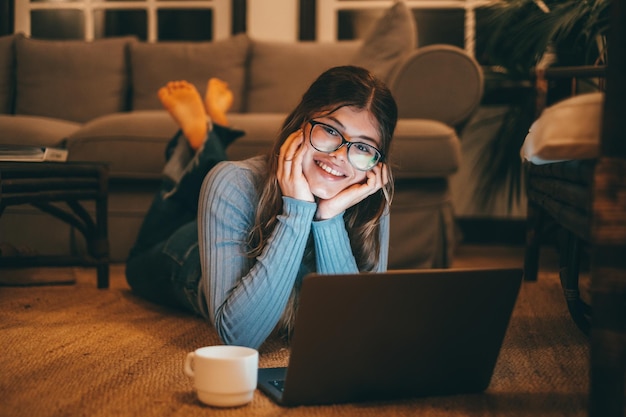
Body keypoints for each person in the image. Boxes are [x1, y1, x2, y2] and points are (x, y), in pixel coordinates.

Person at [126, 66, 398, 349]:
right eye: (330, 130)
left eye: (363, 148)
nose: (341, 156)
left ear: (377, 162)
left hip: (238, 206)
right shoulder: (233, 182)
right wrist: (298, 210)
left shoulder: (370, 196)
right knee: (136, 265)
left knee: (226, 180)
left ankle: (211, 133)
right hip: (187, 253)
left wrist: (329, 217)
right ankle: (202, 132)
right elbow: (240, 338)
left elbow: (354, 332)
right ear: (299, 124)